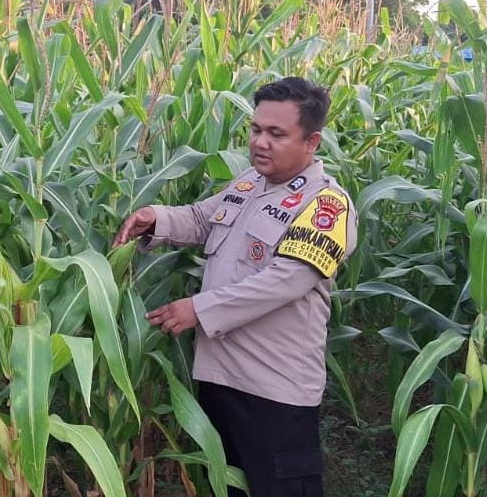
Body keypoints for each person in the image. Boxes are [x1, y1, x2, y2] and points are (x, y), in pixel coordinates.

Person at [113, 77, 357, 497]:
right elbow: (203, 218)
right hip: (219, 376)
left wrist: (199, 309)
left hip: (273, 389)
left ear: (311, 141)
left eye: (276, 134)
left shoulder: (326, 206)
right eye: (256, 129)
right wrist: (156, 217)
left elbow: (287, 279)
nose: (260, 142)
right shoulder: (250, 184)